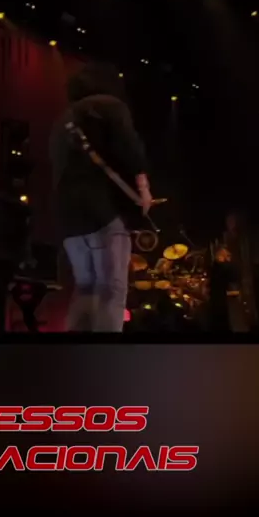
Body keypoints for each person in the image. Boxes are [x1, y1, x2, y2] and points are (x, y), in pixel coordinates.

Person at [49, 63, 153, 332]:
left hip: (69, 220)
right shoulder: (110, 106)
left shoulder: (61, 123)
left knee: (85, 288)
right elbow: (130, 147)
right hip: (102, 211)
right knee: (112, 289)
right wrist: (143, 189)